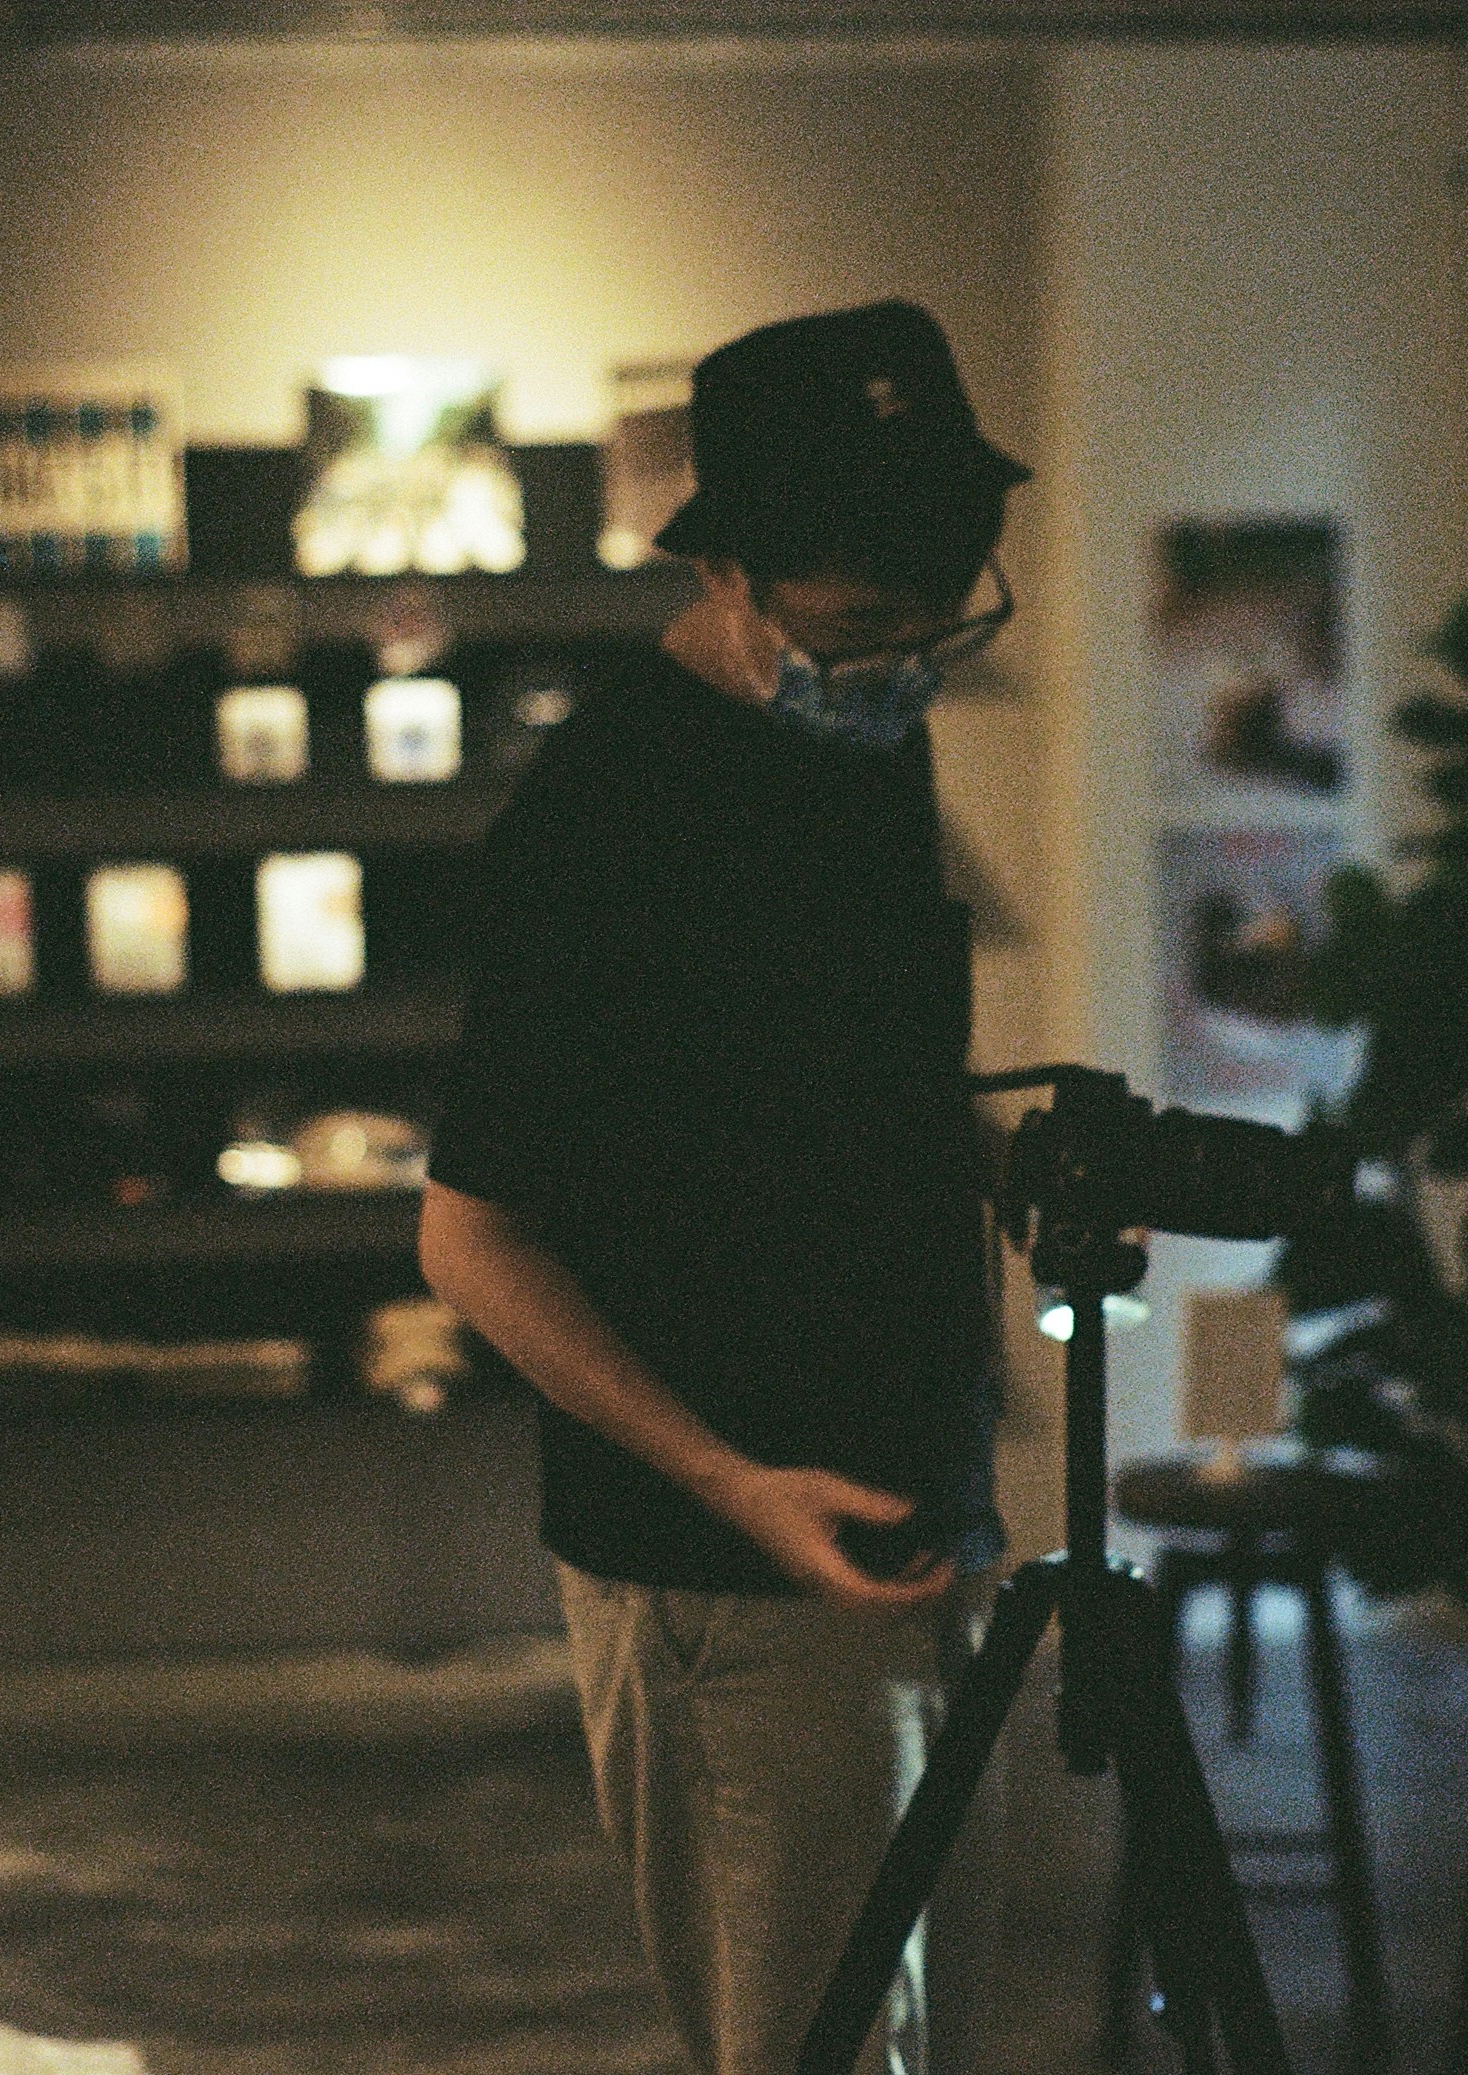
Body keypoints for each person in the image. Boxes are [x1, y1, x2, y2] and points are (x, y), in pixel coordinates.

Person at [419, 301, 1029, 2075]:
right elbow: (470, 1236)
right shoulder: (604, 816)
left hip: (920, 1503)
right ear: (734, 570)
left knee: (930, 2046)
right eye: (860, 625)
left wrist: (1011, 1157)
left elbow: (833, 1090)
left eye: (944, 616)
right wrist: (729, 1482)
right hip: (726, 1572)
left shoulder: (857, 745)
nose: (907, 660)